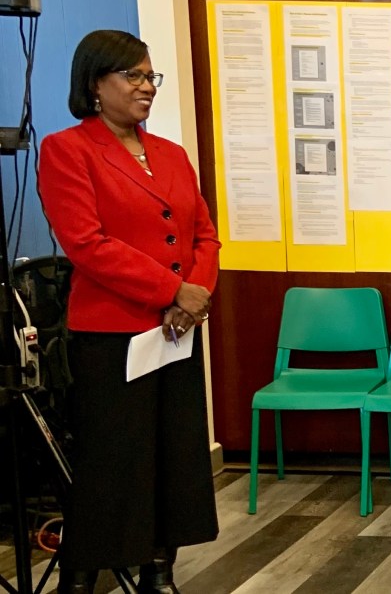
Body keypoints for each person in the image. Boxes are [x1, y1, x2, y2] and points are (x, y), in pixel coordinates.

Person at [37, 30, 219, 594]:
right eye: (133, 76)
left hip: (177, 333)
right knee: (117, 463)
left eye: (150, 77)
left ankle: (159, 569)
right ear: (96, 84)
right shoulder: (67, 150)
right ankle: (84, 575)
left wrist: (192, 296)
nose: (146, 87)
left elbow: (204, 237)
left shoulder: (170, 154)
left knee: (174, 454)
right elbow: (86, 244)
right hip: (113, 337)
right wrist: (171, 291)